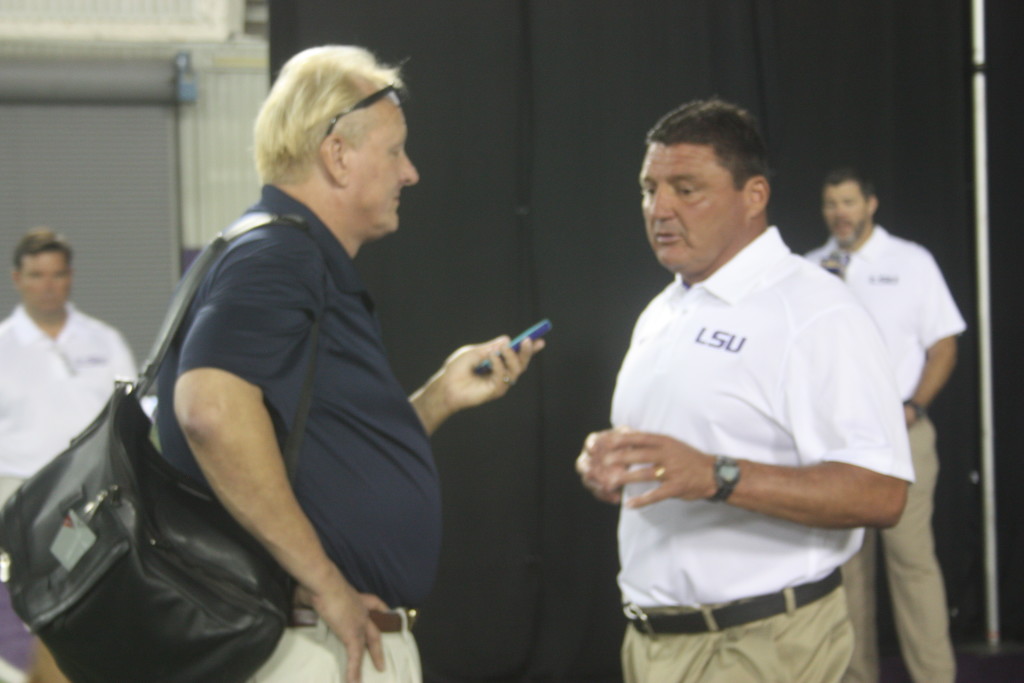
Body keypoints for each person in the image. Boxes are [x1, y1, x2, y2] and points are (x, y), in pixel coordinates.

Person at [155, 45, 543, 683]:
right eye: (395, 151)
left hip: (312, 641)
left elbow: (321, 460)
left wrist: (437, 399)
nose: (410, 172)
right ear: (337, 155)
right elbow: (209, 410)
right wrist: (325, 582)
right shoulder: (279, 255)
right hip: (308, 645)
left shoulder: (277, 252)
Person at [575, 99, 914, 683]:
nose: (660, 209)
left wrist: (718, 475)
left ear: (753, 196)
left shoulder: (816, 312)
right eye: (649, 189)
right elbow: (675, 458)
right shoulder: (663, 309)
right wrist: (612, 461)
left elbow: (881, 493)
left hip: (764, 646)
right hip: (654, 644)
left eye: (687, 189)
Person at [807, 168, 964, 683]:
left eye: (849, 201)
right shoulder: (810, 269)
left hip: (903, 433)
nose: (840, 212)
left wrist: (914, 406)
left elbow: (943, 344)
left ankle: (935, 676)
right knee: (846, 572)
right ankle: (856, 676)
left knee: (912, 565)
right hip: (837, 445)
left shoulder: (912, 262)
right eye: (831, 203)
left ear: (870, 204)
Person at [0, 227, 136, 683]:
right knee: (20, 607)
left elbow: (130, 418)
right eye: (37, 275)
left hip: (85, 498)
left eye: (57, 274)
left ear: (70, 277)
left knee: (72, 596)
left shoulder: (105, 341)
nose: (48, 284)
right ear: (18, 278)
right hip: (16, 500)